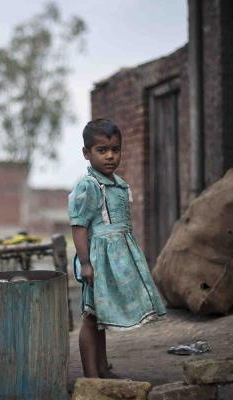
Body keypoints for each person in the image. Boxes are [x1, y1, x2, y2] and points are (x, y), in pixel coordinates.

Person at [68, 118, 167, 378]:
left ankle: (102, 368)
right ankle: (91, 377)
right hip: (98, 260)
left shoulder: (118, 184)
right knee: (91, 316)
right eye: (102, 150)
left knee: (101, 316)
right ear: (86, 153)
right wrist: (86, 263)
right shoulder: (88, 186)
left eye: (115, 149)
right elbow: (78, 226)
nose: (110, 156)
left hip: (116, 259)